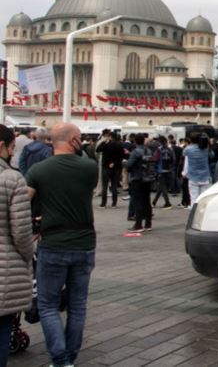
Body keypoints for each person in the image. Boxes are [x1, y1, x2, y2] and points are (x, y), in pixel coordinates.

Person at [25, 122, 97, 367]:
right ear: (75, 139)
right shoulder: (89, 168)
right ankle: (69, 358)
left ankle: (61, 359)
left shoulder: (39, 170)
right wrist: (83, 150)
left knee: (47, 305)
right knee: (77, 305)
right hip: (84, 244)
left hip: (52, 244)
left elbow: (24, 201)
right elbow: (89, 171)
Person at [0, 125, 34, 366]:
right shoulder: (12, 179)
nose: (13, 153)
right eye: (12, 148)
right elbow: (22, 233)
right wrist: (28, 255)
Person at [125, 134, 154, 233]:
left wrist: (124, 163)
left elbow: (129, 165)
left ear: (135, 141)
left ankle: (138, 224)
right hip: (147, 178)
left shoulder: (135, 152)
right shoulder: (148, 151)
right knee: (147, 201)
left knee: (137, 202)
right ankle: (148, 223)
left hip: (137, 178)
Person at [96, 131, 124, 209]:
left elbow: (98, 150)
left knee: (105, 186)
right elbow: (122, 156)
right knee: (114, 186)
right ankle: (114, 204)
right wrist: (114, 163)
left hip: (106, 167)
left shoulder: (106, 145)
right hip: (116, 168)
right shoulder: (119, 145)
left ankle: (103, 204)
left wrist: (104, 142)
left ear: (110, 137)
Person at [184, 134, 211, 205]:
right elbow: (212, 155)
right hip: (205, 176)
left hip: (193, 177)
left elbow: (184, 154)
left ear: (190, 140)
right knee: (203, 199)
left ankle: (194, 214)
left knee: (194, 198)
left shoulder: (188, 149)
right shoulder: (206, 148)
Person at [152, 136, 174, 210]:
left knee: (163, 186)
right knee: (161, 187)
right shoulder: (169, 149)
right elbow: (173, 159)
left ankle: (167, 203)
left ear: (160, 142)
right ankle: (154, 202)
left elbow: (155, 159)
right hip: (168, 169)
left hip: (160, 169)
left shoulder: (159, 149)